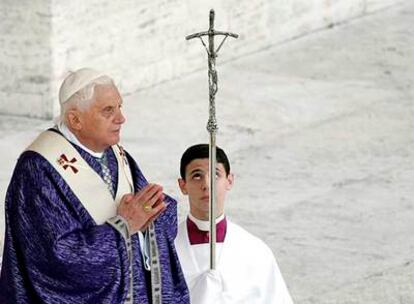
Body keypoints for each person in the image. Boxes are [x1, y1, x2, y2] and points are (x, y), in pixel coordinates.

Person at [0, 68, 189, 304]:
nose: (121, 118)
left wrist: (153, 211)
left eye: (120, 107)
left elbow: (147, 215)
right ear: (75, 120)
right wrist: (124, 226)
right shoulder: (38, 170)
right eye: (108, 111)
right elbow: (57, 259)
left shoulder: (116, 155)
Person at [174, 144, 294, 303]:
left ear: (229, 181)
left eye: (215, 175)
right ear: (183, 185)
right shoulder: (166, 248)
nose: (207, 185)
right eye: (197, 176)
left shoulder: (255, 251)